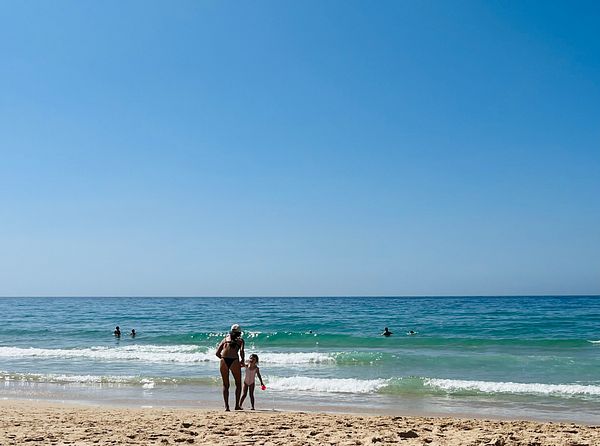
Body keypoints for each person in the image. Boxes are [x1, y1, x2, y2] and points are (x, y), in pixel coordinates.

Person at [215, 324, 245, 411]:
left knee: (225, 385)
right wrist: (242, 360)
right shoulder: (240, 341)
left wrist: (223, 359)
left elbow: (217, 353)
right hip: (234, 360)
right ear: (239, 332)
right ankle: (237, 406)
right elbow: (242, 351)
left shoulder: (225, 340)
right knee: (238, 384)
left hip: (224, 360)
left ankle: (226, 407)